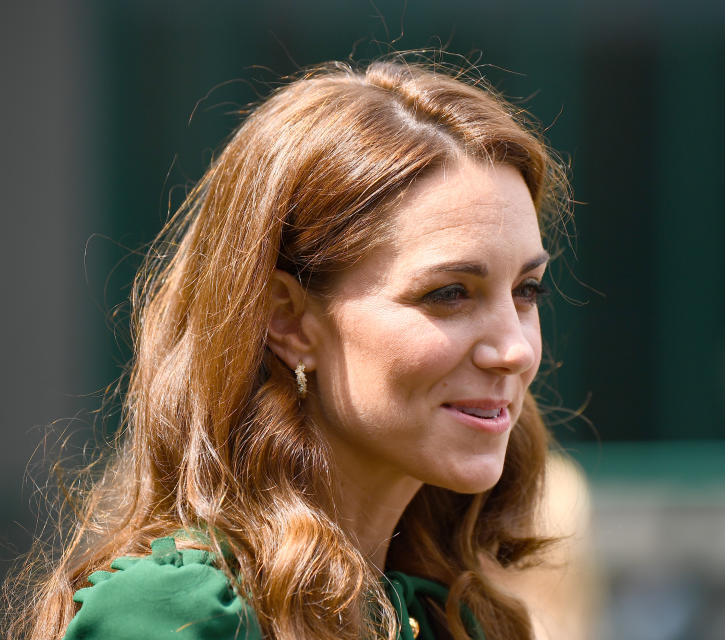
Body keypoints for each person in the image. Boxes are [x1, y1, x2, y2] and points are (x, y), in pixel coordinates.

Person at [10, 53, 577, 640]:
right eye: (450, 293)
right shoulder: (177, 616)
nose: (514, 349)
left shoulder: (455, 619)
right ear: (288, 320)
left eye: (526, 290)